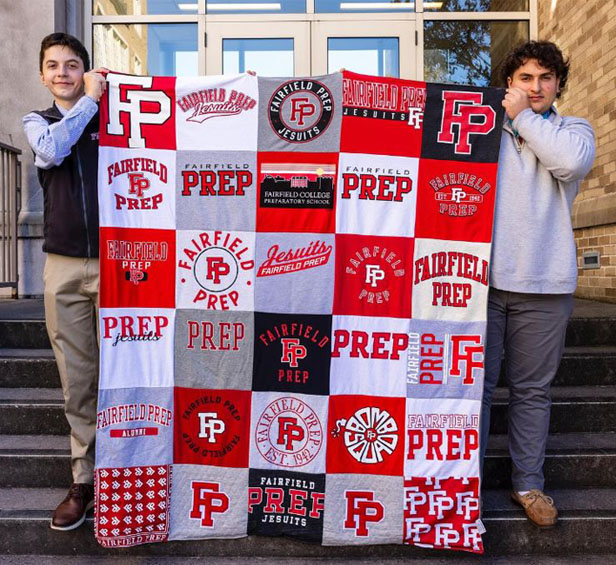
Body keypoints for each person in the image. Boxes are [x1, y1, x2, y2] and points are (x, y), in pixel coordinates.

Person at [480, 41, 595, 527]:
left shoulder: (574, 130)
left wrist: (523, 117)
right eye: (525, 78)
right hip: (478, 285)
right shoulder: (482, 128)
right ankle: (461, 484)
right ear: (510, 83)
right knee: (472, 390)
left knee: (531, 392)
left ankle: (528, 485)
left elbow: (568, 165)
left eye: (545, 78)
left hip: (545, 285)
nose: (535, 87)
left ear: (558, 84)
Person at [23, 33, 107, 531]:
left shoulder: (117, 119)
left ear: (85, 70)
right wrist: (92, 101)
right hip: (65, 267)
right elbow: (53, 151)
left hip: (126, 264)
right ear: (41, 75)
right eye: (53, 65)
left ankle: (136, 471)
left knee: (135, 372)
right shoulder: (38, 123)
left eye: (72, 65)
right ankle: (84, 480)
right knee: (78, 379)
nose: (62, 73)